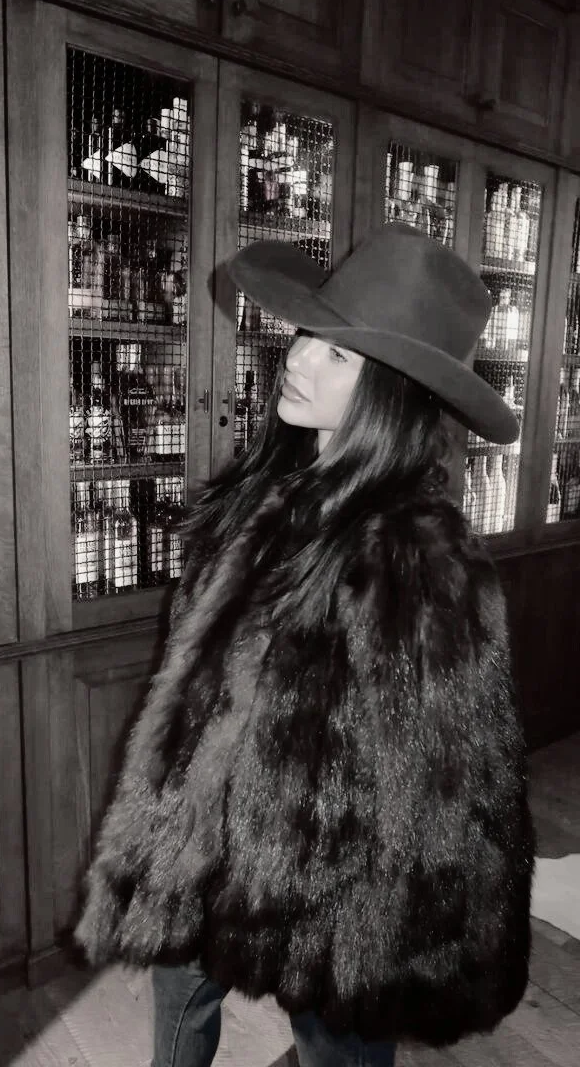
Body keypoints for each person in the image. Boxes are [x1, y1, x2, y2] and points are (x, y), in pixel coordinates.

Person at [75, 223, 535, 1067]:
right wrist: (168, 830)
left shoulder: (417, 554)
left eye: (337, 354)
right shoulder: (259, 498)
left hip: (324, 891)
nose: (297, 359)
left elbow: (445, 781)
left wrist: (356, 924)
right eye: (305, 335)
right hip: (199, 843)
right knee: (178, 1012)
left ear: (393, 391)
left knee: (338, 1050)